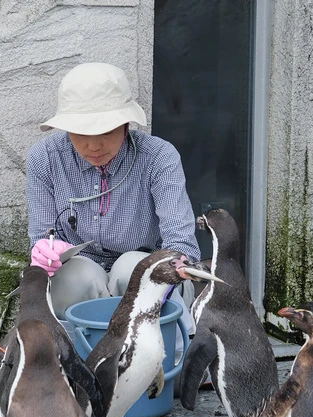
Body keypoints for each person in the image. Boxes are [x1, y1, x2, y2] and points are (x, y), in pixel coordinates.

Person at [26, 62, 202, 321]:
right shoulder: (45, 159)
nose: (93, 145)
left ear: (126, 125)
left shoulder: (158, 157)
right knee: (73, 277)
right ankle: (75, 352)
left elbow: (182, 244)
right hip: (80, 275)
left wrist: (174, 264)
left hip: (147, 271)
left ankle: (159, 355)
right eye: (81, 133)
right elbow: (42, 238)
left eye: (106, 131)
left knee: (132, 268)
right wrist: (46, 252)